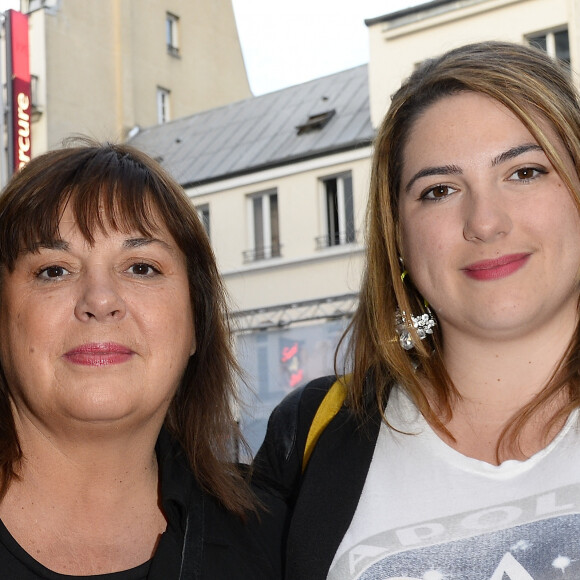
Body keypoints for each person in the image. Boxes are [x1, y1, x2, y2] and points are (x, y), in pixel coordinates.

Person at [252, 41, 580, 579]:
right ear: (399, 238)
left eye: (524, 172)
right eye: (440, 190)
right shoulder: (314, 434)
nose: (485, 221)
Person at [0, 141, 273, 579]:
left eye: (141, 267)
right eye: (54, 270)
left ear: (195, 322)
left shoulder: (280, 542)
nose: (100, 301)